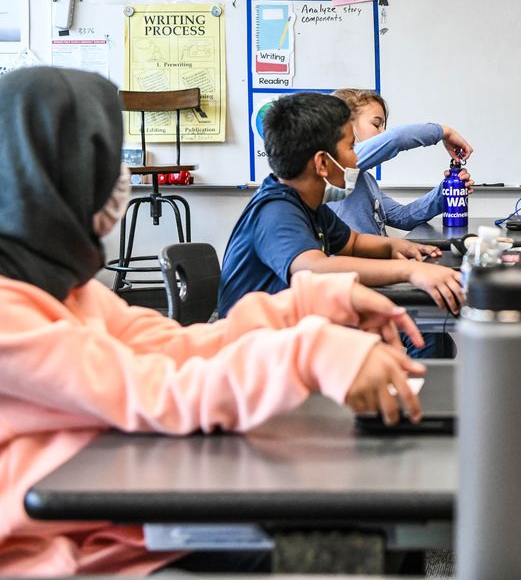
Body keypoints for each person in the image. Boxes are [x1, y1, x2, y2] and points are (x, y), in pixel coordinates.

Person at [0, 67, 428, 576]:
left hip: (121, 518)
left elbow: (176, 347)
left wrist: (313, 306)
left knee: (383, 531)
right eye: (103, 162)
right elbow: (158, 392)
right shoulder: (10, 314)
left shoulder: (68, 291)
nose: (122, 179)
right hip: (70, 550)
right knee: (354, 545)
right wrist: (310, 351)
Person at [217, 92, 464, 318]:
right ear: (323, 163)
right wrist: (408, 271)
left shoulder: (310, 204)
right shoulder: (275, 211)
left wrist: (395, 245)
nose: (357, 157)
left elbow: (353, 243)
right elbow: (314, 268)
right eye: (351, 148)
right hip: (254, 348)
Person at [327, 88, 475, 235]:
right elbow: (395, 139)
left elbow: (402, 217)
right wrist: (444, 132)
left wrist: (445, 192)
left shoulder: (366, 180)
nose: (383, 132)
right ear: (345, 125)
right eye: (376, 124)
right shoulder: (336, 165)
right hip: (353, 259)